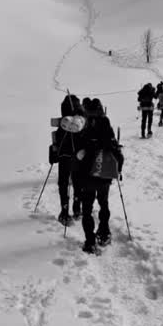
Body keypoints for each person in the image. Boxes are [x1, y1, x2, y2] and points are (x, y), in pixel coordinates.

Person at [75, 99, 124, 253]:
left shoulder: (83, 125)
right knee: (104, 204)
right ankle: (103, 233)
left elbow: (77, 153)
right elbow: (116, 150)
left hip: (86, 176)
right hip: (104, 174)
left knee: (87, 209)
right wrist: (119, 169)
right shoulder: (105, 124)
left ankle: (90, 241)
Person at [51, 93, 85, 224]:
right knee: (77, 181)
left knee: (63, 183)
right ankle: (77, 208)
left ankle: (64, 211)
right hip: (78, 156)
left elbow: (57, 139)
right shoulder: (80, 120)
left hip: (64, 156)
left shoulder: (63, 122)